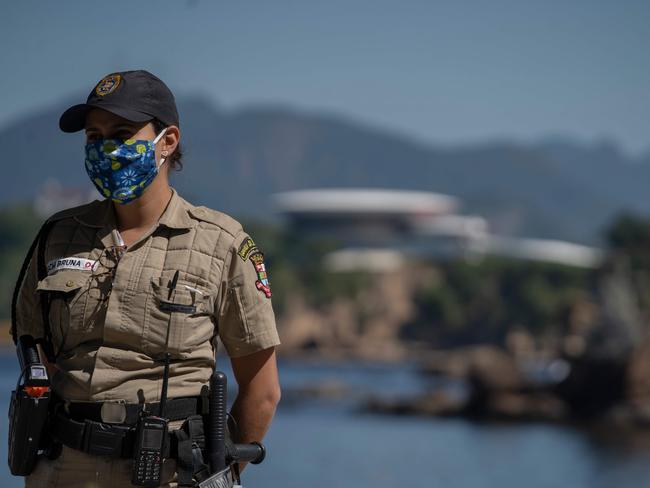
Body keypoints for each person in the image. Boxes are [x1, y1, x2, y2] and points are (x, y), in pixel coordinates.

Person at [11, 70, 282, 487]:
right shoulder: (58, 236)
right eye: (94, 136)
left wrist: (217, 477)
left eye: (121, 133)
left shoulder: (222, 243)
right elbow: (35, 353)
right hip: (64, 468)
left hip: (169, 472)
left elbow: (261, 391)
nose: (106, 148)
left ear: (167, 141)